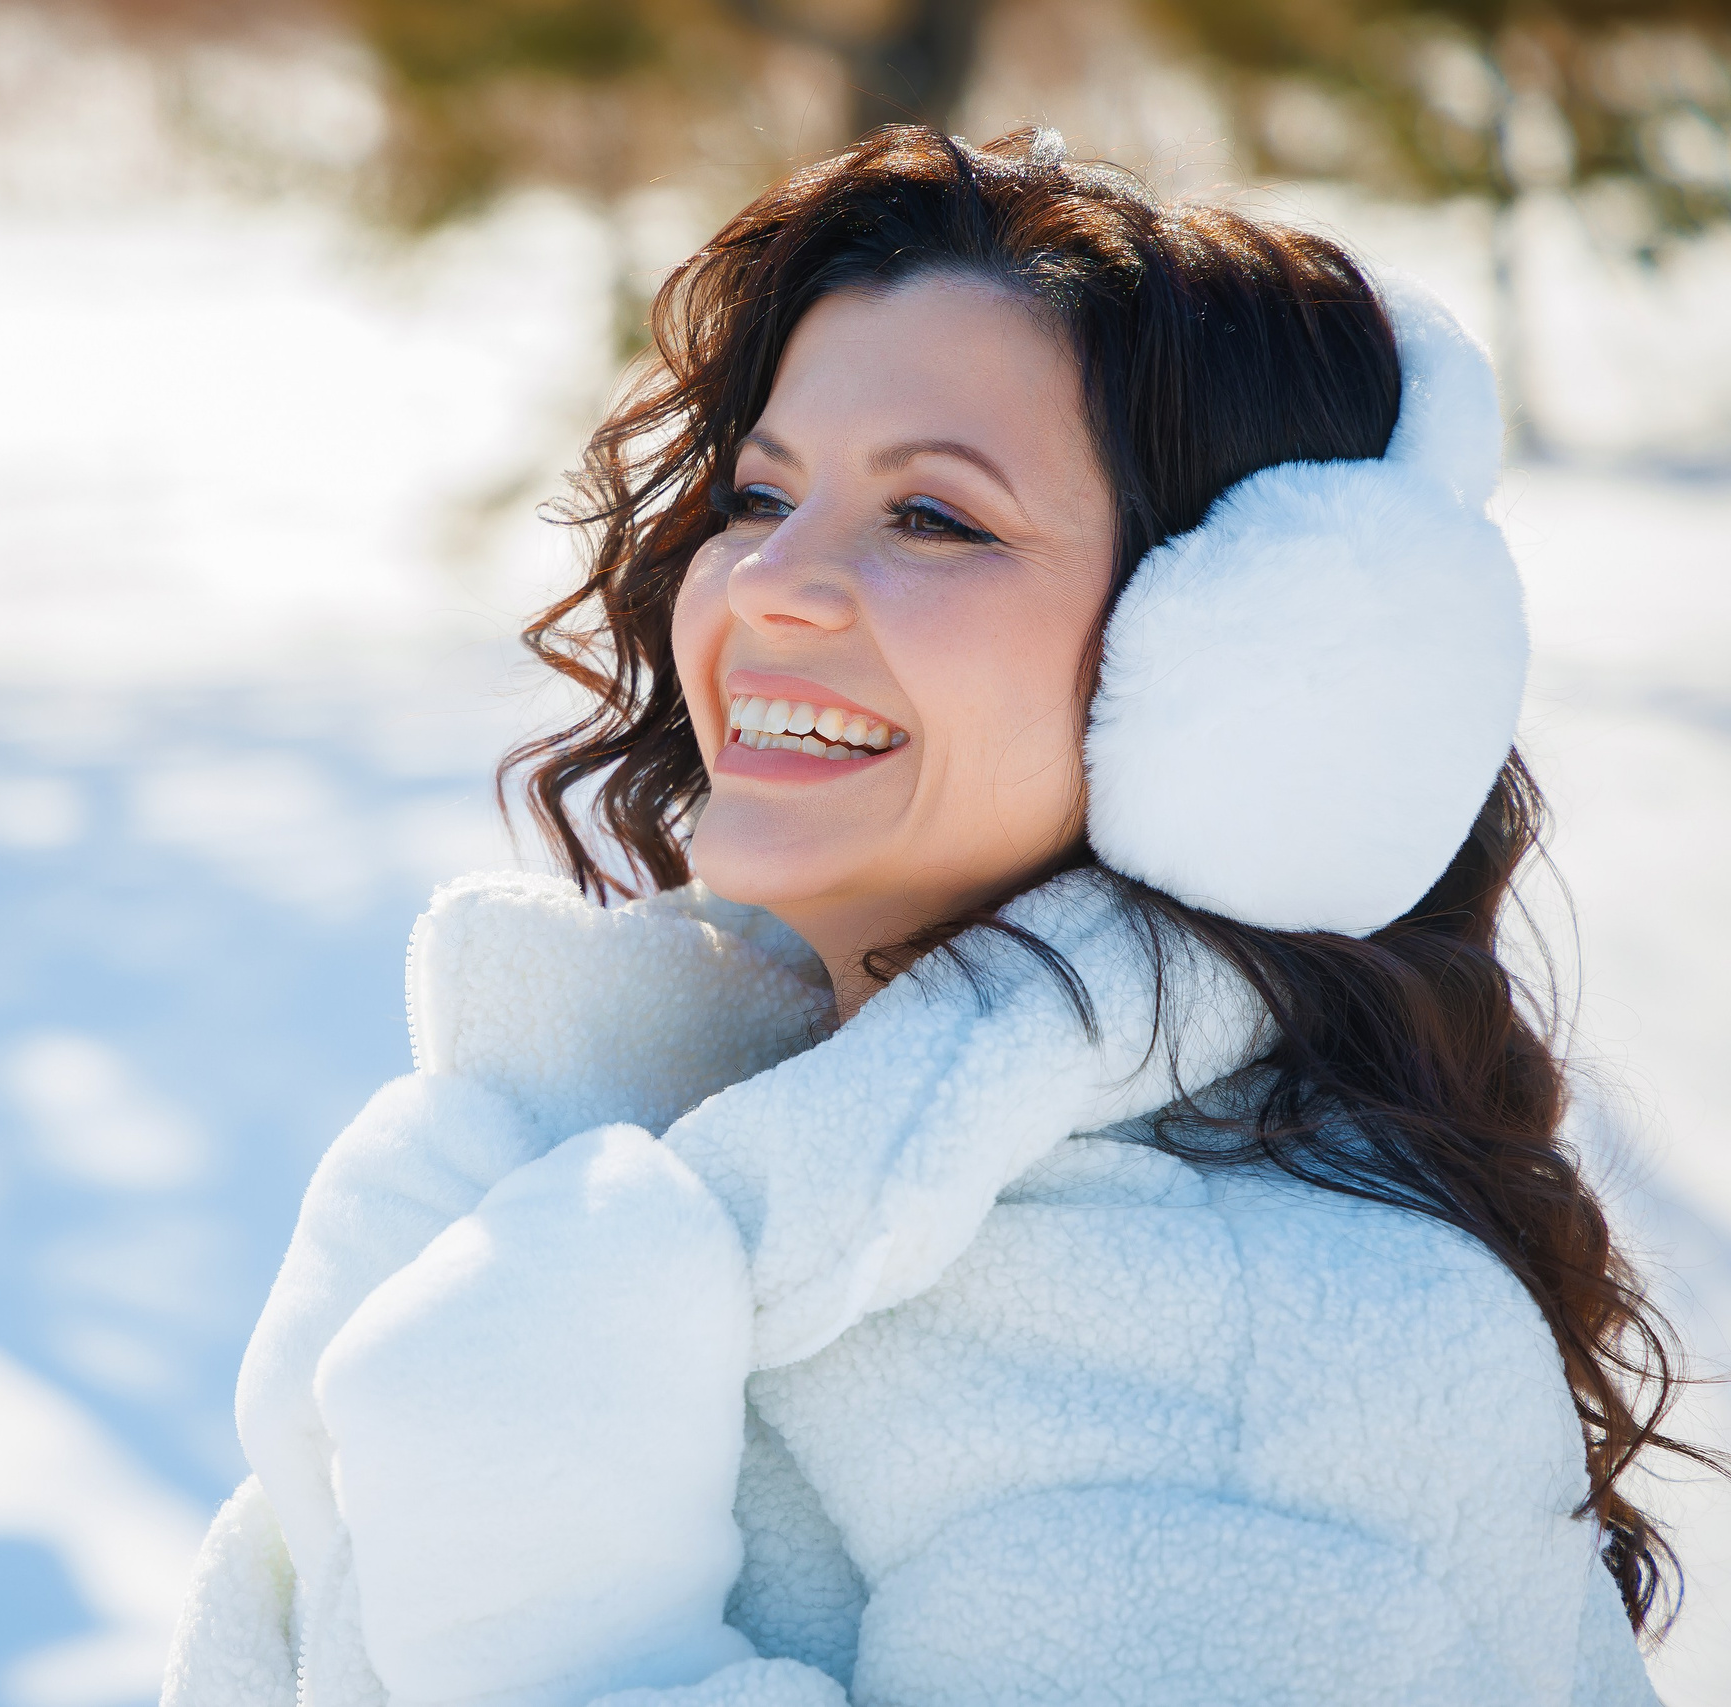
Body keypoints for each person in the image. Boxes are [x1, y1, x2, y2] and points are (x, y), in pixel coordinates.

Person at [161, 126, 1711, 1707]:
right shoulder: (654, 1149)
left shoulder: (1253, 1386)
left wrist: (561, 1636)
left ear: (1231, 674)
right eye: (762, 493)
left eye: (936, 520)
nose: (770, 581)